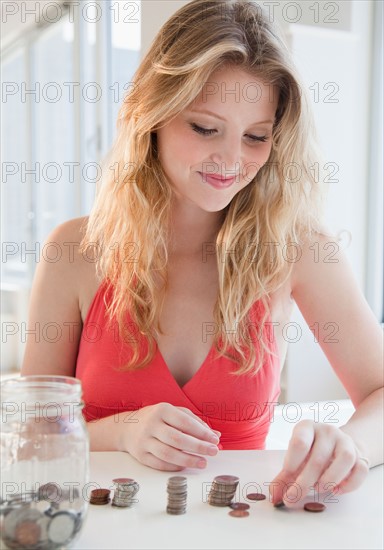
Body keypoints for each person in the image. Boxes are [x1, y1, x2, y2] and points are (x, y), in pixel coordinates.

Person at [21, 0, 383, 507]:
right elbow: (31, 432)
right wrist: (121, 431)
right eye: (205, 128)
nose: (232, 161)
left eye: (256, 137)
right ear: (152, 115)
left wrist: (352, 446)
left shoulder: (300, 251)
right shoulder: (74, 251)